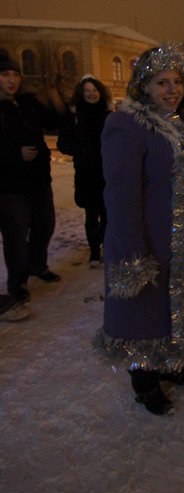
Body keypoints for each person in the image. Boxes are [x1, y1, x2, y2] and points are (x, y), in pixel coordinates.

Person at [98, 44, 184, 416]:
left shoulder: (177, 125)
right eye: (162, 82)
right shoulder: (126, 125)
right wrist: (132, 253)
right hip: (143, 238)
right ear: (144, 85)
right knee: (140, 312)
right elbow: (121, 194)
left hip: (174, 238)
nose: (173, 90)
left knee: (169, 307)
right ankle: (144, 382)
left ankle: (167, 363)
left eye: (178, 81)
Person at [0, 54, 65, 309]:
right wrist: (16, 154)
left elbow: (55, 123)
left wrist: (55, 98)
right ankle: (17, 283)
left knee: (45, 226)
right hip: (10, 187)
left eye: (15, 75)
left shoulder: (27, 101)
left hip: (39, 180)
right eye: (5, 75)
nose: (12, 80)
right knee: (17, 237)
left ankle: (38, 265)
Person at [57, 76, 112, 266]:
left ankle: (107, 246)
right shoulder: (75, 117)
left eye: (94, 90)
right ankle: (94, 252)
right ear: (81, 93)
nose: (91, 94)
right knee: (91, 215)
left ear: (100, 93)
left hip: (107, 173)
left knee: (108, 214)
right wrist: (80, 150)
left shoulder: (109, 116)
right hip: (86, 174)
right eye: (87, 91)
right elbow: (62, 144)